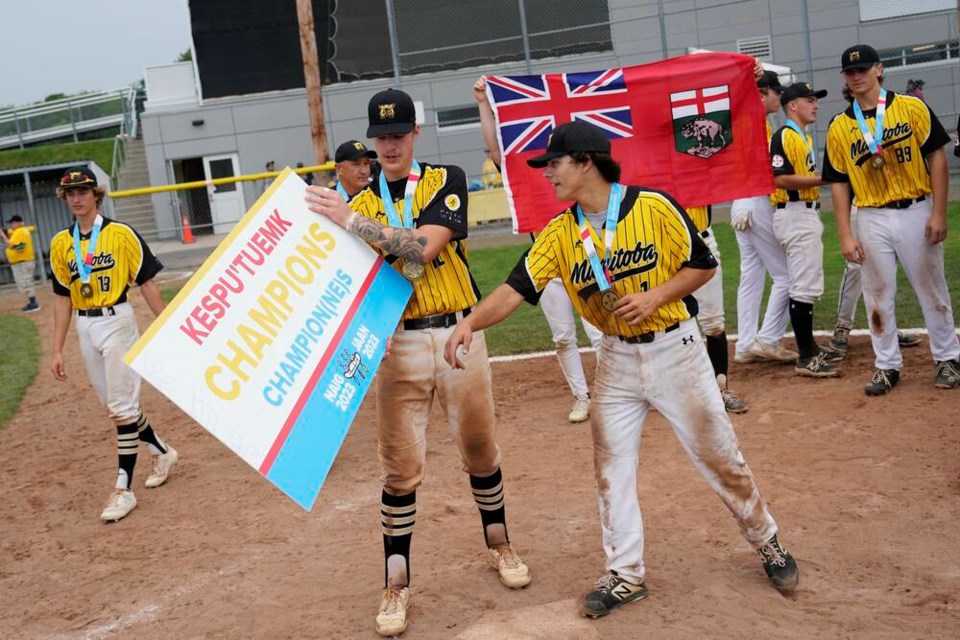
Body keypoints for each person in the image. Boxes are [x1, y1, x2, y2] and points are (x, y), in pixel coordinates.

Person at [444, 121, 798, 619]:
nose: (548, 174)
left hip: (676, 349)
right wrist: (470, 325)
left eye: (554, 164)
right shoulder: (561, 231)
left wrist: (655, 295)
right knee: (610, 471)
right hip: (615, 359)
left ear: (586, 161)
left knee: (720, 457)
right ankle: (626, 574)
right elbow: (515, 288)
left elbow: (702, 265)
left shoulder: (653, 206)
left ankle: (767, 540)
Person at [304, 88, 530, 637]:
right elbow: (335, 278)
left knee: (480, 450)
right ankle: (396, 582)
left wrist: (351, 220)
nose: (387, 145)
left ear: (414, 136)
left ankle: (499, 545)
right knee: (400, 470)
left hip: (457, 332)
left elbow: (422, 248)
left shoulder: (443, 179)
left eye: (397, 134)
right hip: (396, 342)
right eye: (380, 137)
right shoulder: (355, 198)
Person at [822, 44, 960, 395]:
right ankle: (886, 365)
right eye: (850, 72)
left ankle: (947, 358)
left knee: (931, 288)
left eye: (864, 69)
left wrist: (939, 211)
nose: (857, 75)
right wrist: (845, 234)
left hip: (916, 208)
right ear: (844, 78)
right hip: (870, 214)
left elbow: (937, 158)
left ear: (879, 69)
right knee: (877, 293)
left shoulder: (911, 108)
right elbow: (838, 183)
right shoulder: (839, 126)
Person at [49, 167, 179, 522]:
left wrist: (167, 325)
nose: (77, 198)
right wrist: (57, 348)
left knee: (121, 407)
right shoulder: (62, 243)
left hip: (117, 320)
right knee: (115, 405)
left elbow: (147, 283)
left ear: (96, 195)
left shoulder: (121, 234)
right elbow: (63, 298)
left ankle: (123, 488)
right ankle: (161, 450)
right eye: (70, 193)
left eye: (84, 191)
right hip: (85, 326)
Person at [473, 76, 603, 422]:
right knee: (563, 336)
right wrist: (484, 104)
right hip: (548, 266)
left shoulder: (578, 172)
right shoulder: (527, 171)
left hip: (587, 259)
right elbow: (494, 150)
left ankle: (612, 392)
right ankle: (582, 396)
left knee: (600, 330)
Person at [769, 82, 842, 377]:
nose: (815, 105)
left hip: (803, 214)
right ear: (792, 105)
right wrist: (825, 180)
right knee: (803, 286)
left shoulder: (802, 137)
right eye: (809, 100)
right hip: (795, 213)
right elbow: (781, 179)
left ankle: (809, 346)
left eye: (816, 99)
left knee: (806, 282)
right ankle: (805, 357)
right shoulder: (785, 136)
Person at [730, 71, 797, 366]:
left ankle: (745, 344)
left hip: (739, 201)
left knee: (751, 275)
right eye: (776, 93)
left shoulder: (742, 119)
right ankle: (768, 338)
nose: (779, 99)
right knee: (787, 275)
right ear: (764, 92)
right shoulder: (754, 120)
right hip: (755, 200)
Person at [686, 204, 750, 413]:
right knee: (670, 322)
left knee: (713, 323)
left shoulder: (699, 171)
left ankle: (721, 389)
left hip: (702, 241)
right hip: (662, 247)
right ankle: (675, 393)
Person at [3, 214, 40, 312]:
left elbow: (10, 244)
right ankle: (32, 301)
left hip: (23, 262)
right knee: (26, 281)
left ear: (18, 223)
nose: (11, 225)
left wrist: (3, 236)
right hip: (23, 262)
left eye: (13, 223)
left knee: (27, 282)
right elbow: (11, 232)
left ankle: (34, 303)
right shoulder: (23, 230)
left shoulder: (19, 232)